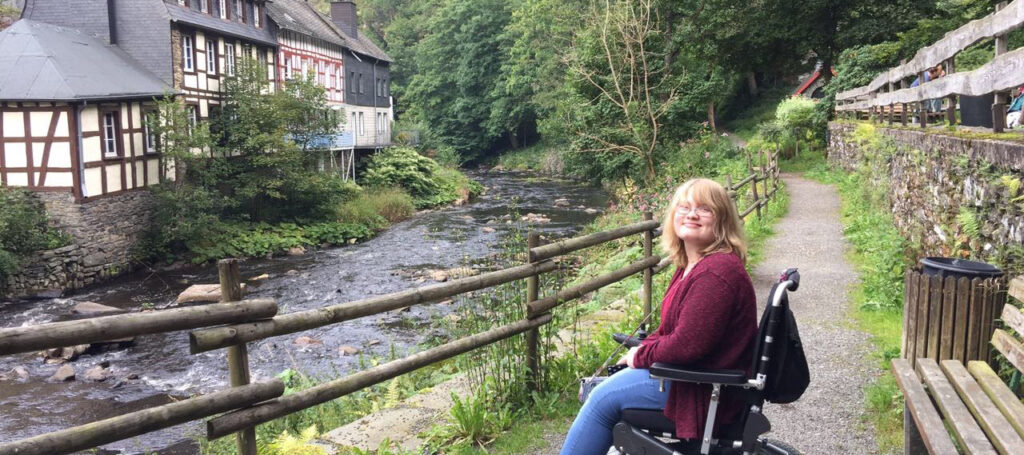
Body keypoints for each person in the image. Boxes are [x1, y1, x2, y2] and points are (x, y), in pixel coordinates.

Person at [558, 178, 758, 455]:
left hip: (702, 389)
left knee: (601, 399)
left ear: (722, 219)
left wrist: (639, 356)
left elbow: (686, 345)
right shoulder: (692, 265)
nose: (691, 214)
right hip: (693, 379)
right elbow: (669, 330)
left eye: (704, 209)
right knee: (605, 390)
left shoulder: (716, 272)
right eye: (684, 207)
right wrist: (642, 350)